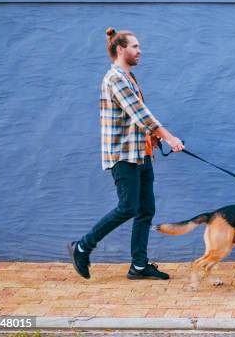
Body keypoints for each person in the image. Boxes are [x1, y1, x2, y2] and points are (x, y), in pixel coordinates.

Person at [68, 27, 184, 280]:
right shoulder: (115, 78)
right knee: (128, 207)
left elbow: (135, 118)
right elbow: (141, 114)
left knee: (145, 210)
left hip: (141, 155)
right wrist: (169, 137)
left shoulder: (129, 77)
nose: (139, 51)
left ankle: (139, 266)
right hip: (124, 156)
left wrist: (154, 137)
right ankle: (83, 246)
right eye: (134, 46)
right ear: (120, 49)